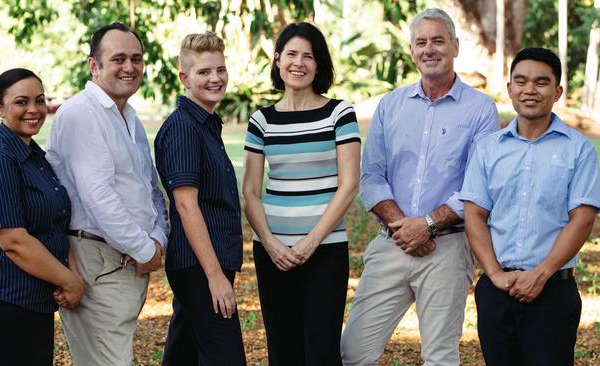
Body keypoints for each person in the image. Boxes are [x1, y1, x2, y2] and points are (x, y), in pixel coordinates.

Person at [341, 8, 500, 365]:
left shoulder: (480, 110)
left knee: (440, 357)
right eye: (421, 42)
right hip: (391, 243)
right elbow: (372, 176)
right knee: (354, 351)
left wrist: (426, 224)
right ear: (412, 51)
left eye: (438, 41)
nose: (430, 49)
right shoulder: (390, 105)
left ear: (455, 47)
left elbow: (479, 185)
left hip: (448, 247)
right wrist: (404, 227)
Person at [461, 47, 600, 366]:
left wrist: (541, 273)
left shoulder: (578, 150)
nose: (530, 90)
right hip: (498, 291)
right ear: (509, 88)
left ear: (557, 91)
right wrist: (494, 274)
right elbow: (475, 214)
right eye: (521, 81)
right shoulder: (488, 149)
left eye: (541, 82)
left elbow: (582, 219)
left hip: (554, 292)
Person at [45, 22, 168, 366]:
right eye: (118, 59)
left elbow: (150, 190)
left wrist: (158, 239)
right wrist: (145, 249)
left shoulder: (129, 116)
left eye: (136, 59)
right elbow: (98, 196)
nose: (129, 67)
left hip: (127, 260)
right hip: (96, 259)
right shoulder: (82, 113)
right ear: (94, 66)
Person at [242, 22, 360, 365]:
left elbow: (349, 184)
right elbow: (250, 191)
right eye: (291, 54)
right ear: (278, 60)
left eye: (308, 56)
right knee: (282, 350)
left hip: (325, 251)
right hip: (272, 254)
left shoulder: (339, 113)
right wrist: (272, 243)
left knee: (321, 352)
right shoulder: (261, 121)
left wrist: (309, 243)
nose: (299, 62)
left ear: (319, 64)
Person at [0, 68, 84, 366]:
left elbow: (55, 224)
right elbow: (14, 241)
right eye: (21, 102)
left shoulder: (36, 157)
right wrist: (71, 281)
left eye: (40, 100)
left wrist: (67, 277)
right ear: (0, 108)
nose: (34, 110)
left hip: (32, 301)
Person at [154, 31, 246, 366]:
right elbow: (185, 205)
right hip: (198, 266)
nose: (215, 78)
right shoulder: (183, 128)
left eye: (220, 70)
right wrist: (214, 276)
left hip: (207, 262)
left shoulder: (206, 125)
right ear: (185, 78)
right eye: (204, 72)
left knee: (184, 355)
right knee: (227, 358)